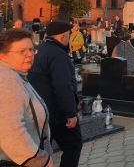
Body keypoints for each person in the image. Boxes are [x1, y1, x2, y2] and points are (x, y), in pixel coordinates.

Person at [28, 21, 82, 167]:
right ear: (63, 36)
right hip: (57, 113)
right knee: (73, 146)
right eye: (69, 35)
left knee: (44, 149)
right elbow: (63, 87)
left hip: (37, 111)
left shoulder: (36, 50)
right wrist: (70, 113)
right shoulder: (58, 55)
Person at [0, 29, 53, 166]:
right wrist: (39, 160)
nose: (29, 54)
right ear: (2, 56)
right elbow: (9, 130)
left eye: (31, 49)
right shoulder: (7, 78)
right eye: (22, 51)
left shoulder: (17, 75)